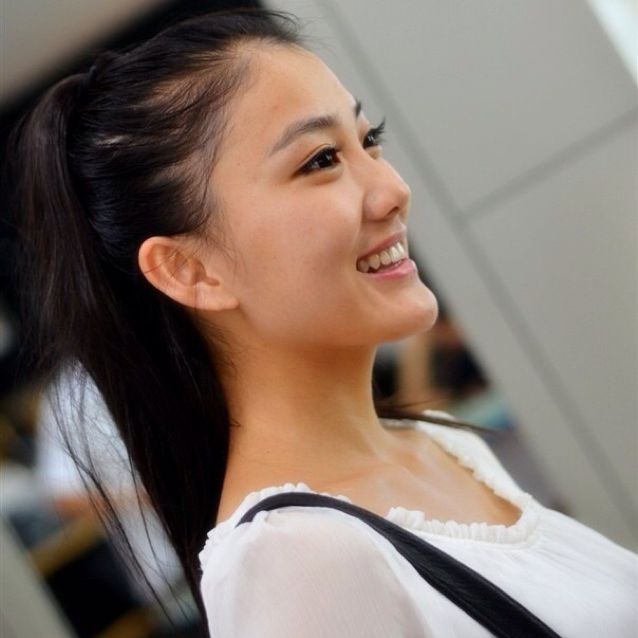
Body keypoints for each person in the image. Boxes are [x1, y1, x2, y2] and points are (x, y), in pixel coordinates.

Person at [7, 8, 636, 637]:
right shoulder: (293, 562)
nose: (391, 189)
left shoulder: (441, 446)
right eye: (321, 160)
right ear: (190, 270)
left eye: (369, 139)